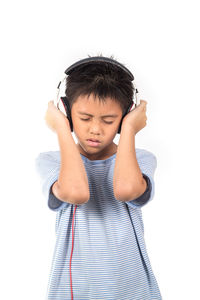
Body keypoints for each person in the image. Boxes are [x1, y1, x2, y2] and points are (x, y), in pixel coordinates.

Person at [35, 55, 162, 299]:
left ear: (126, 117)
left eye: (109, 120)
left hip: (132, 290)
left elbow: (126, 189)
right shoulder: (53, 162)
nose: (95, 129)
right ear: (67, 112)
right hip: (75, 291)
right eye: (84, 118)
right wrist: (62, 128)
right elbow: (76, 192)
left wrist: (129, 131)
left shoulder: (141, 159)